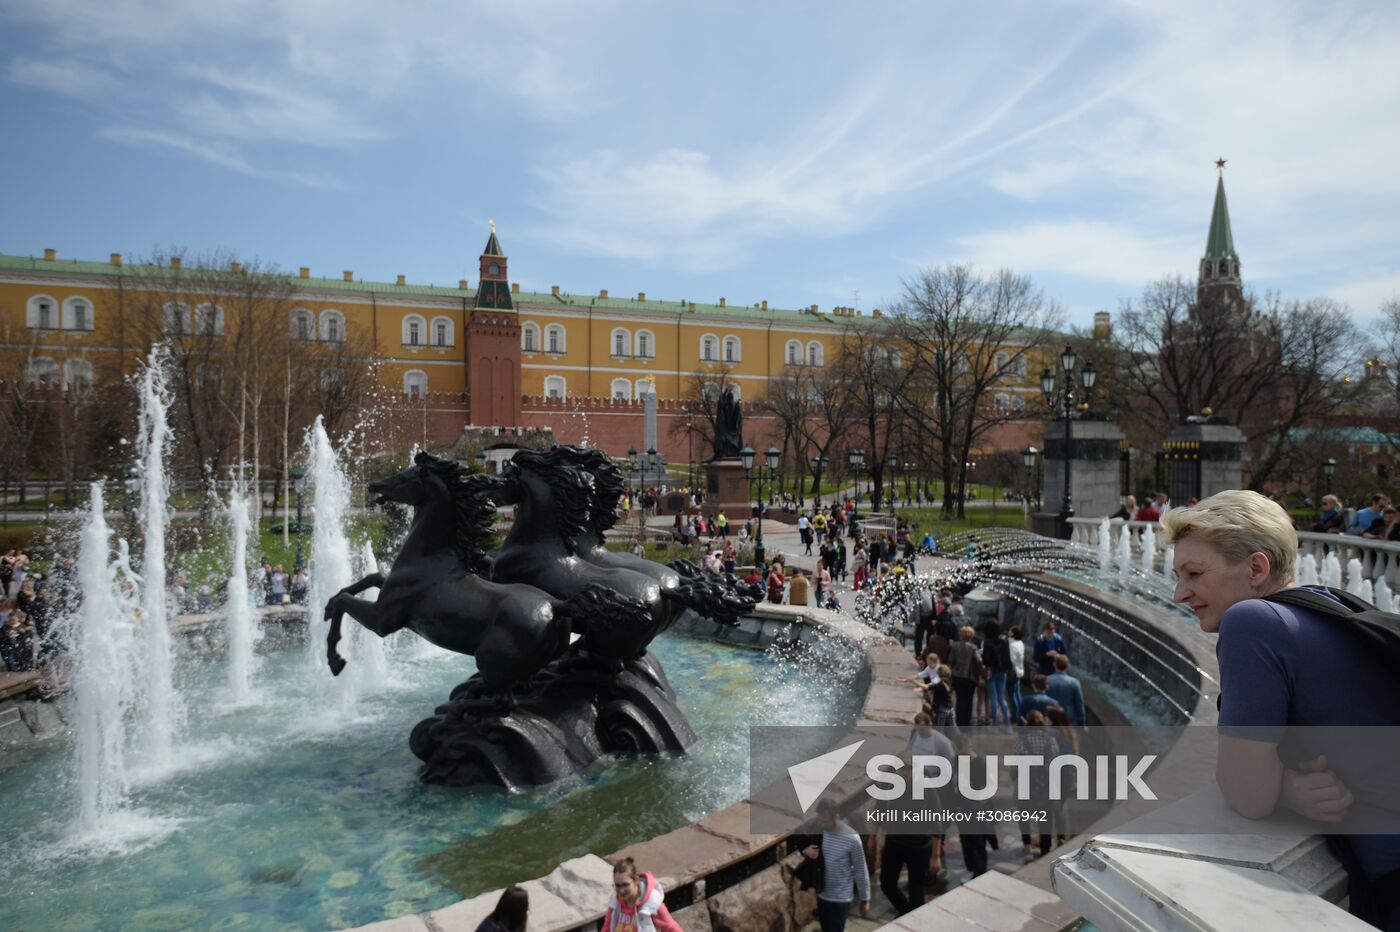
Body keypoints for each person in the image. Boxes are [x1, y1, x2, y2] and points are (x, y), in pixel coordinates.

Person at [1164, 489, 1400, 930]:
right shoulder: (1331, 602)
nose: (1180, 594)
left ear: (1256, 568)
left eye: (1194, 574)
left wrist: (1283, 790)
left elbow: (1245, 793)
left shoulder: (1252, 622)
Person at [800, 798, 871, 930]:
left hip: (841, 898)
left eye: (825, 820)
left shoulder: (852, 839)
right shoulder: (819, 829)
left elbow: (860, 869)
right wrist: (806, 850)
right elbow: (800, 835)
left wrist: (865, 898)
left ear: (836, 816)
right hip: (822, 894)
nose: (822, 824)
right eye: (820, 819)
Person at [602, 857, 682, 932]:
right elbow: (607, 929)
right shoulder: (615, 902)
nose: (621, 891)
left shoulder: (652, 904)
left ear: (636, 880)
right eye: (617, 886)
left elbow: (672, 928)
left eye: (625, 885)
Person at [948, 626, 984, 729]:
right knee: (969, 699)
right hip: (970, 676)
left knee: (959, 698)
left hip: (957, 675)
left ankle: (959, 719)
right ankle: (966, 720)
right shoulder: (973, 647)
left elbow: (951, 660)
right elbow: (978, 661)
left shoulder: (955, 646)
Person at [981, 620, 1012, 726]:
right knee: (1002, 698)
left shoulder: (987, 641)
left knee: (993, 699)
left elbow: (986, 659)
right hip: (1002, 671)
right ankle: (1007, 723)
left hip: (991, 671)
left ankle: (994, 723)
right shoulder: (1004, 640)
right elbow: (1007, 656)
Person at [1045, 654, 1086, 727]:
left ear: (1054, 665)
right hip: (1069, 719)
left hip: (1051, 719)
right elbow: (1079, 703)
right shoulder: (1074, 682)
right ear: (1067, 666)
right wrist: (1082, 722)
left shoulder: (1047, 680)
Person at [1007, 625, 1026, 723]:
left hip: (1013, 672)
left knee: (1012, 695)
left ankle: (1015, 716)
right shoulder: (1020, 643)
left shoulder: (1012, 645)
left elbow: (1011, 660)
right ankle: (1021, 713)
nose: (1008, 632)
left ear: (1013, 633)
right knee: (1017, 693)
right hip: (1020, 670)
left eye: (1010, 631)